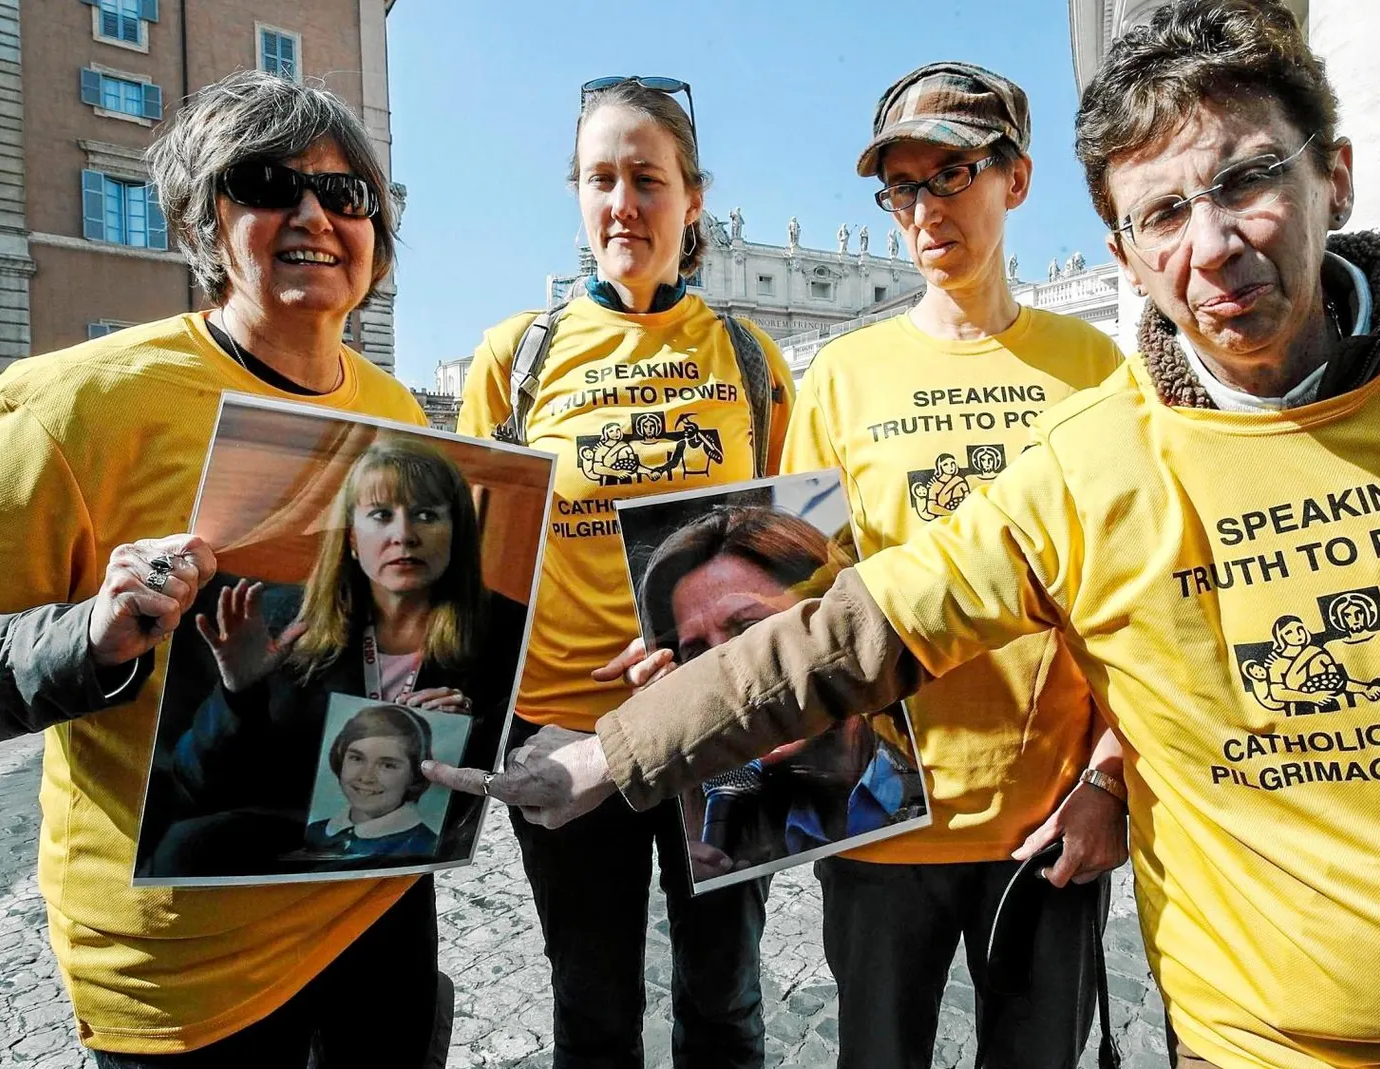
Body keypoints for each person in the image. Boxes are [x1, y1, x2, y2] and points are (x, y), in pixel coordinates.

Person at [445, 4, 1380, 1067]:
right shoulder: (1086, 454)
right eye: (1162, 215)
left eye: (1246, 180)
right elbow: (851, 618)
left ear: (1332, 171)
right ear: (1121, 243)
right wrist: (612, 752)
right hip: (1223, 1019)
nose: (1212, 245)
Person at [0, 71, 447, 1067]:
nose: (315, 215)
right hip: (186, 970)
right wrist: (84, 634)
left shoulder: (399, 410)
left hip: (379, 896)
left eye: (346, 195)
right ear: (201, 222)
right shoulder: (71, 403)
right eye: (266, 183)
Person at [725, 60, 1130, 1069]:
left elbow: (1139, 594)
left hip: (1046, 821)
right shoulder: (842, 378)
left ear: (1016, 179)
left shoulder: (1098, 370)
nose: (922, 210)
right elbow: (799, 603)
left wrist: (1110, 782)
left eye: (948, 174)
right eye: (900, 186)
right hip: (879, 818)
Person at [452, 75, 795, 1069]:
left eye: (646, 178)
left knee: (725, 1006)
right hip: (567, 735)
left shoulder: (749, 356)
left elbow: (790, 551)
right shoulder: (517, 354)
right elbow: (473, 564)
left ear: (693, 200)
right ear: (574, 197)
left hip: (720, 730)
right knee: (593, 1010)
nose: (621, 203)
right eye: (599, 177)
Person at [141, 435, 517, 877]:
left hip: (395, 868)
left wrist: (460, 733)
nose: (404, 535)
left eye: (427, 515)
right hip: (272, 860)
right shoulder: (276, 621)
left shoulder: (505, 630)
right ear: (353, 539)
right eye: (381, 515)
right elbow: (190, 787)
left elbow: (485, 793)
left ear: (457, 534)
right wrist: (238, 694)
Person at [633, 504, 925, 880]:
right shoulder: (724, 823)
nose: (730, 678)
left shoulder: (925, 780)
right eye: (700, 656)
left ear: (831, 619)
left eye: (752, 632)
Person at [304, 703, 443, 860]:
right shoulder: (315, 832)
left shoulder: (425, 847)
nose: (366, 777)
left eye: (387, 765)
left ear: (415, 774)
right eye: (356, 758)